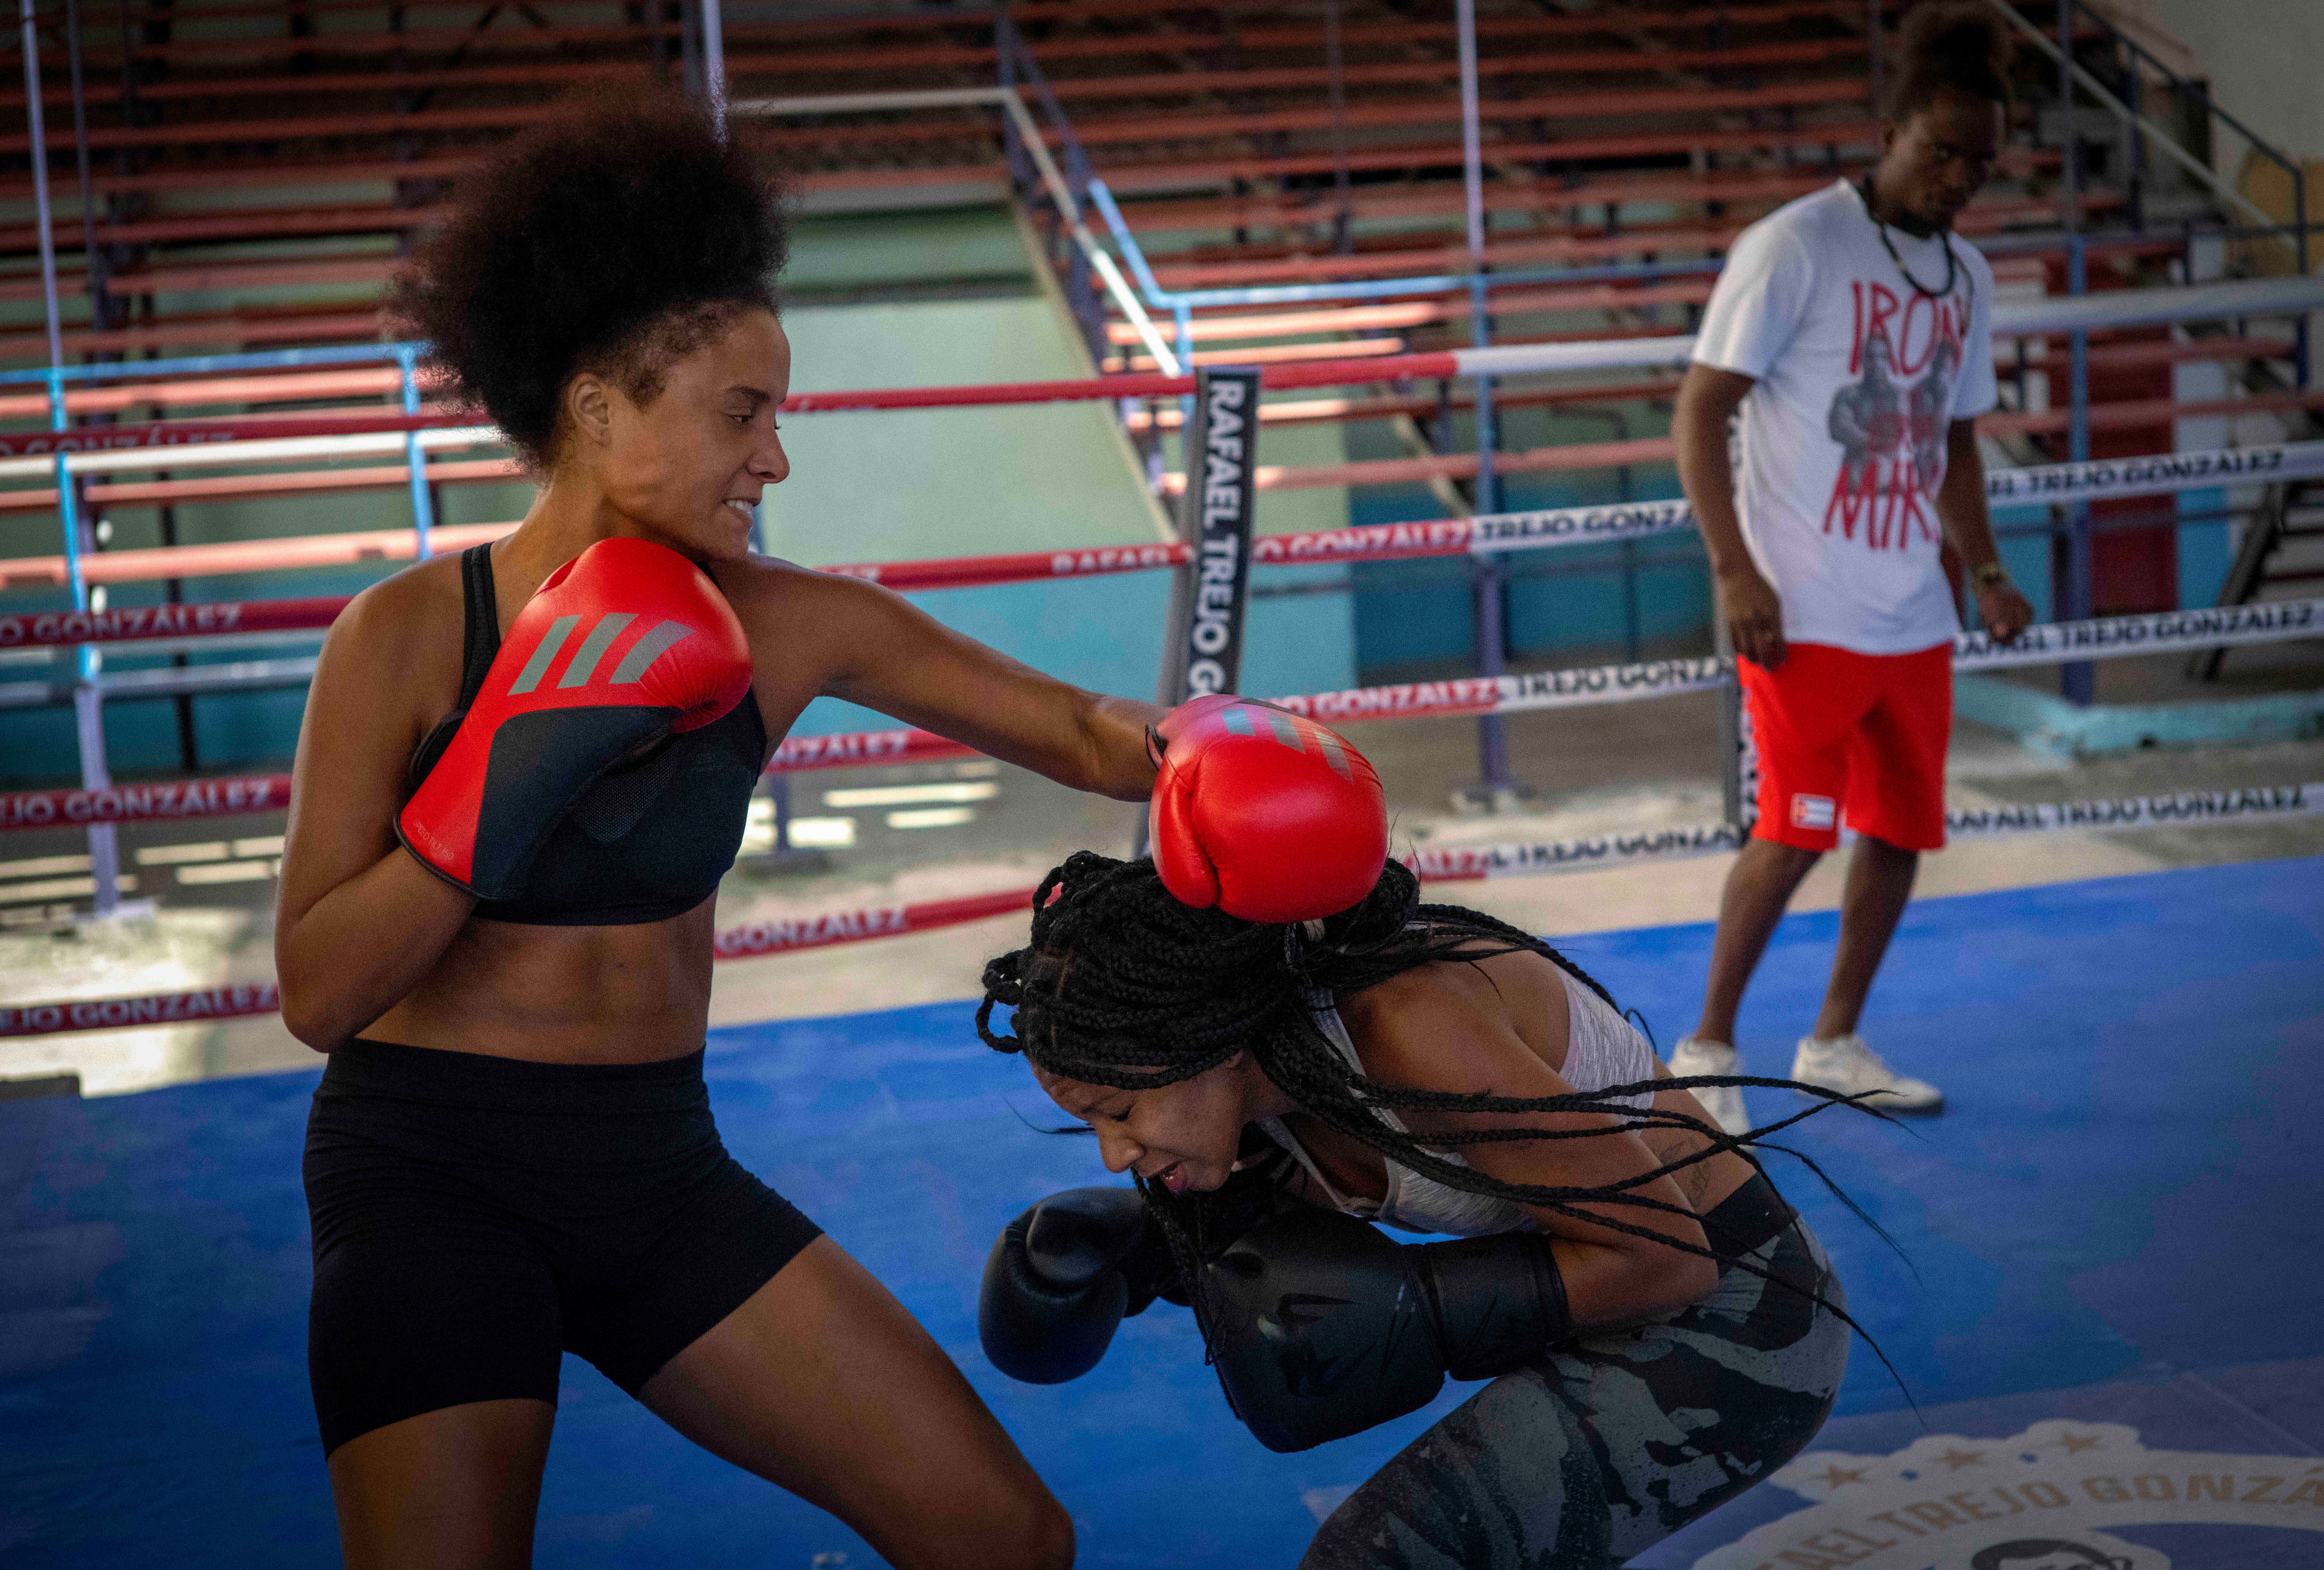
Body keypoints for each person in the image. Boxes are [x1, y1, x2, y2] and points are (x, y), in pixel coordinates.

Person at [278, 91, 1184, 1569]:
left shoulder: (787, 624)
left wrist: (1229, 753)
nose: (776, 461)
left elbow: (1086, 733)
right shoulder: (404, 636)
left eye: (781, 413)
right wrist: (503, 767)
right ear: (597, 408)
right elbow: (319, 991)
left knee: (1004, 1535)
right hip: (426, 1169)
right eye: (741, 412)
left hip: (653, 1169)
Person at [973, 725, 1862, 1568]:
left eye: (1121, 1109)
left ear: (1214, 1039)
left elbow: (1672, 1259)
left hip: (1743, 1309)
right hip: (1613, 1290)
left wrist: (1424, 1314)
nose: (1112, 1154)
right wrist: (1142, 1254)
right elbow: (1278, 1237)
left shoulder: (1408, 1026)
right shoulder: (1257, 1096)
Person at [1665, 2, 2039, 1135]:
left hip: (1910, 615)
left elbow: (1955, 437)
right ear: (1887, 130)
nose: (1957, 177)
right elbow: (1698, 412)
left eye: (1978, 160)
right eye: (1938, 151)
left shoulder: (1964, 273)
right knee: (1791, 832)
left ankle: (1831, 1040)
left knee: (1898, 832)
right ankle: (1706, 1049)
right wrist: (1733, 571)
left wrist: (1981, 571)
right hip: (1800, 611)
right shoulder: (1793, 246)